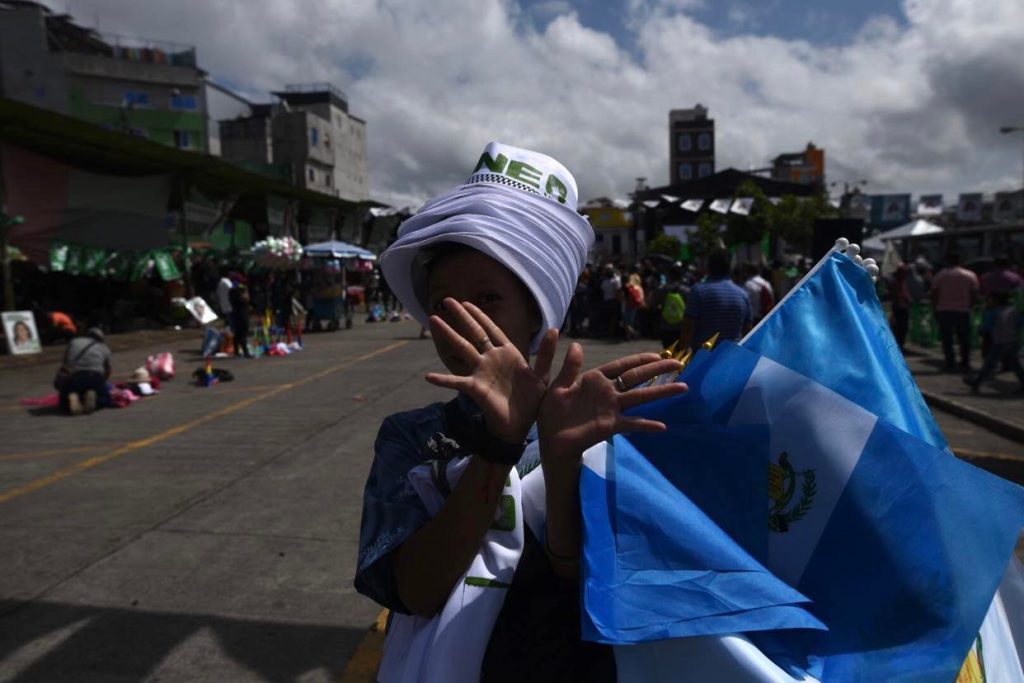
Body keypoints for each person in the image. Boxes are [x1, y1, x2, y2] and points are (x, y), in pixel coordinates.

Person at [356, 142, 686, 681]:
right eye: (442, 303)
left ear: (537, 316)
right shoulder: (411, 437)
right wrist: (497, 446)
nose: (461, 316)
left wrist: (560, 465)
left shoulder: (585, 427)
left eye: (488, 298)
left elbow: (581, 578)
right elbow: (415, 591)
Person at [679, 248, 752, 352]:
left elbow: (688, 326)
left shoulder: (698, 291)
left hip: (704, 356)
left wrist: (683, 351)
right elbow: (748, 330)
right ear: (730, 267)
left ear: (708, 266)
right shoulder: (743, 295)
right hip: (731, 356)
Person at [964, 291, 1024, 393]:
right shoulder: (1014, 311)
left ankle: (977, 382)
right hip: (1013, 340)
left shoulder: (993, 313)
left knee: (990, 363)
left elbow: (986, 327)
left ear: (996, 301)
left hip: (1000, 342)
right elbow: (1020, 323)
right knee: (1015, 364)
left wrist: (981, 330)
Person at [930, 252, 979, 372]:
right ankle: (965, 363)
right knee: (964, 339)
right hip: (963, 310)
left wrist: (935, 307)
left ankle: (950, 363)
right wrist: (971, 306)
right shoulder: (970, 275)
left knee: (947, 339)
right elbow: (974, 293)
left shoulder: (941, 275)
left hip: (944, 310)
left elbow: (934, 293)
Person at [57, 327, 111, 415]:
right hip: (95, 377)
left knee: (63, 401)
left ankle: (72, 396)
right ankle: (93, 396)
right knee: (104, 398)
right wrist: (103, 381)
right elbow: (108, 369)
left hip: (74, 378)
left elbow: (65, 362)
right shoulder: (104, 348)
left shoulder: (74, 341)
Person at [651, 264, 690, 350]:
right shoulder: (687, 291)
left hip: (666, 326)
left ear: (669, 275)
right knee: (681, 354)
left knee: (668, 352)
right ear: (681, 276)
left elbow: (654, 305)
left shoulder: (662, 289)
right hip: (681, 327)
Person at [229, 284, 253, 358]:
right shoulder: (240, 298)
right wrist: (246, 291)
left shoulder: (232, 296)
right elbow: (247, 299)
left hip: (236, 314)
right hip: (242, 315)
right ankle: (246, 352)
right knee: (243, 333)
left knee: (237, 333)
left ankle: (236, 351)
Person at [621, 272, 645, 341]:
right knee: (631, 322)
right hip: (636, 305)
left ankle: (634, 333)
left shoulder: (628, 287)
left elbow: (622, 297)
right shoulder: (638, 287)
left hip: (629, 306)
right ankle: (629, 336)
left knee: (626, 323)